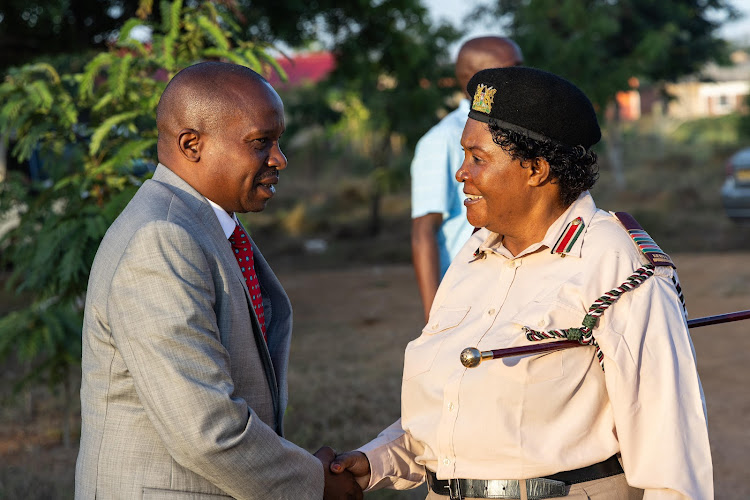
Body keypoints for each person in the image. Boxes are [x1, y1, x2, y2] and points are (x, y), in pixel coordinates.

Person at [331, 67, 712, 499]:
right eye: (463, 155)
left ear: (535, 169)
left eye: (478, 158)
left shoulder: (617, 264)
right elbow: (455, 408)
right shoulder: (473, 258)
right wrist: (374, 461)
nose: (461, 173)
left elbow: (669, 449)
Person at [75, 61, 362, 500]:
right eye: (260, 143)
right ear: (192, 144)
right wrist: (314, 483)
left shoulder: (201, 225)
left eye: (278, 141)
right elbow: (205, 429)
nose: (279, 159)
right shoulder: (162, 238)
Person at [411, 36, 523, 321]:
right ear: (476, 80)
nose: (524, 78)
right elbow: (424, 230)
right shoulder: (442, 139)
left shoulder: (517, 131)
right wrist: (433, 316)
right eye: (512, 70)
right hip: (468, 289)